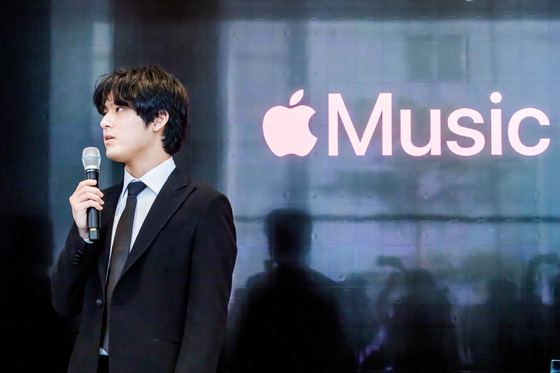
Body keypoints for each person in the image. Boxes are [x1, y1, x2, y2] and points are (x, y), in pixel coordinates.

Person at [51, 64, 237, 373]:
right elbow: (63, 302)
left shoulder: (203, 206)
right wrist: (82, 236)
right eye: (104, 111)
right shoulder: (101, 203)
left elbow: (206, 324)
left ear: (159, 119)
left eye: (120, 109)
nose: (105, 122)